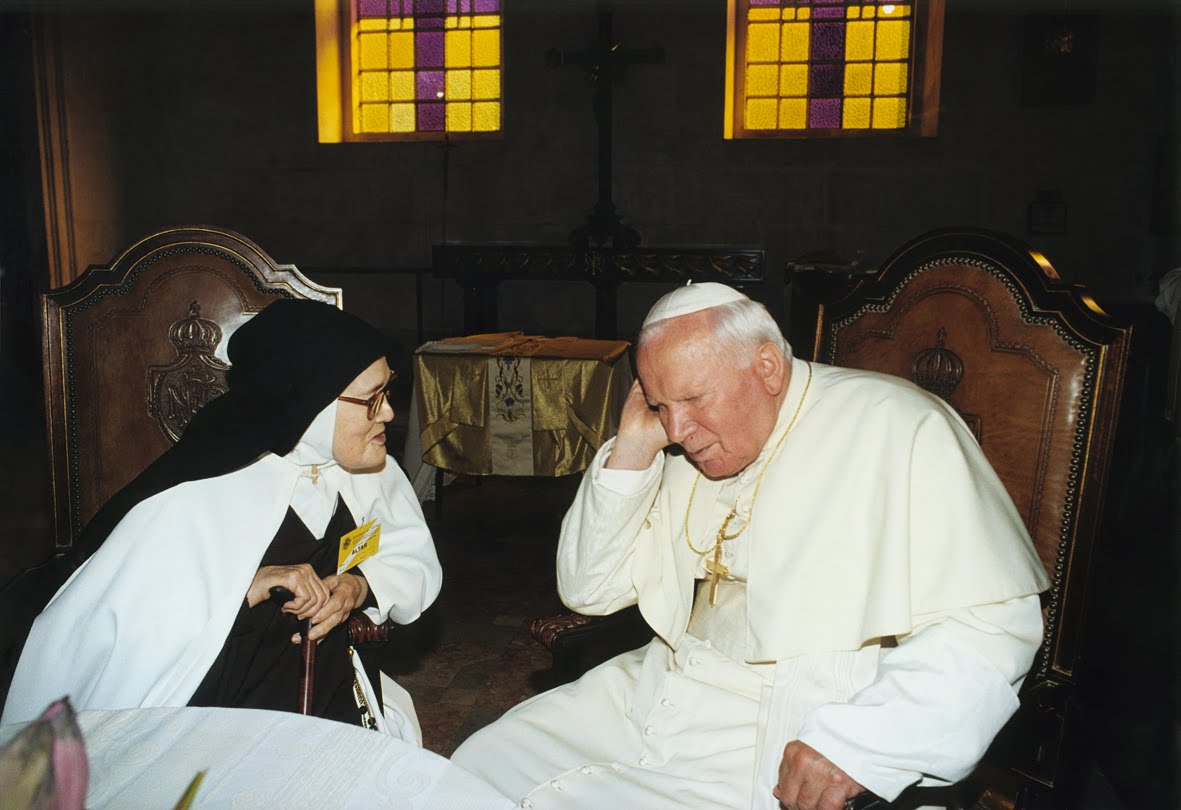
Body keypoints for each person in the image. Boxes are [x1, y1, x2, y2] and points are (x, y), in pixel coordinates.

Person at [452, 282, 1049, 809]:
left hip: (791, 713)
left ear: (766, 367)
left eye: (692, 400)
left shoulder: (901, 425)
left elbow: (993, 627)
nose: (678, 432)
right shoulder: (683, 443)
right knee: (481, 767)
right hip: (665, 680)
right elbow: (587, 589)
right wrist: (632, 450)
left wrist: (863, 743)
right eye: (660, 406)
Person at [2, 300, 442, 740]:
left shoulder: (369, 470)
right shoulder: (200, 489)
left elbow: (407, 554)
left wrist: (358, 586)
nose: (387, 413)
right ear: (313, 406)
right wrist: (248, 586)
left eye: (388, 391)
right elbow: (131, 627)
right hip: (219, 704)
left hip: (330, 689)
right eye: (371, 399)